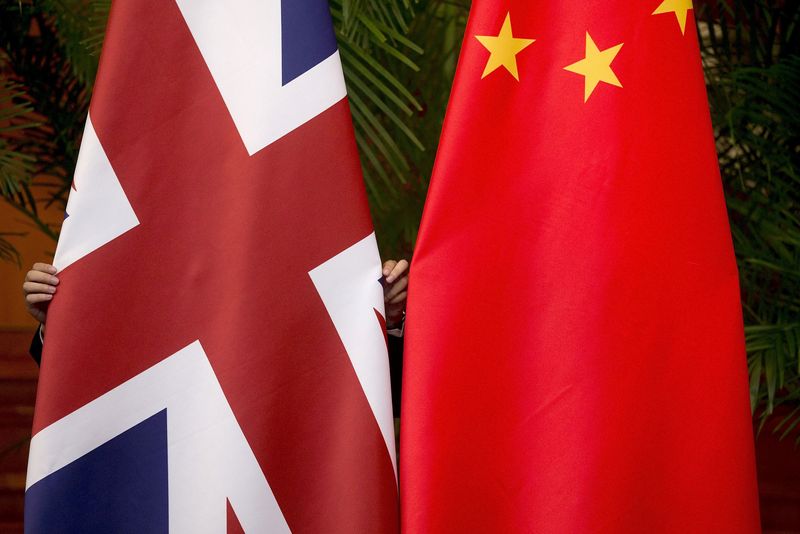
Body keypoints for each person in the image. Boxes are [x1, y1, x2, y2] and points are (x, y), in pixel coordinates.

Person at [23, 259, 409, 413]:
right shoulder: (145, 252)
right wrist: (58, 327)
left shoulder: (318, 243)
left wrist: (384, 320)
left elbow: (374, 399)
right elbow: (97, 396)